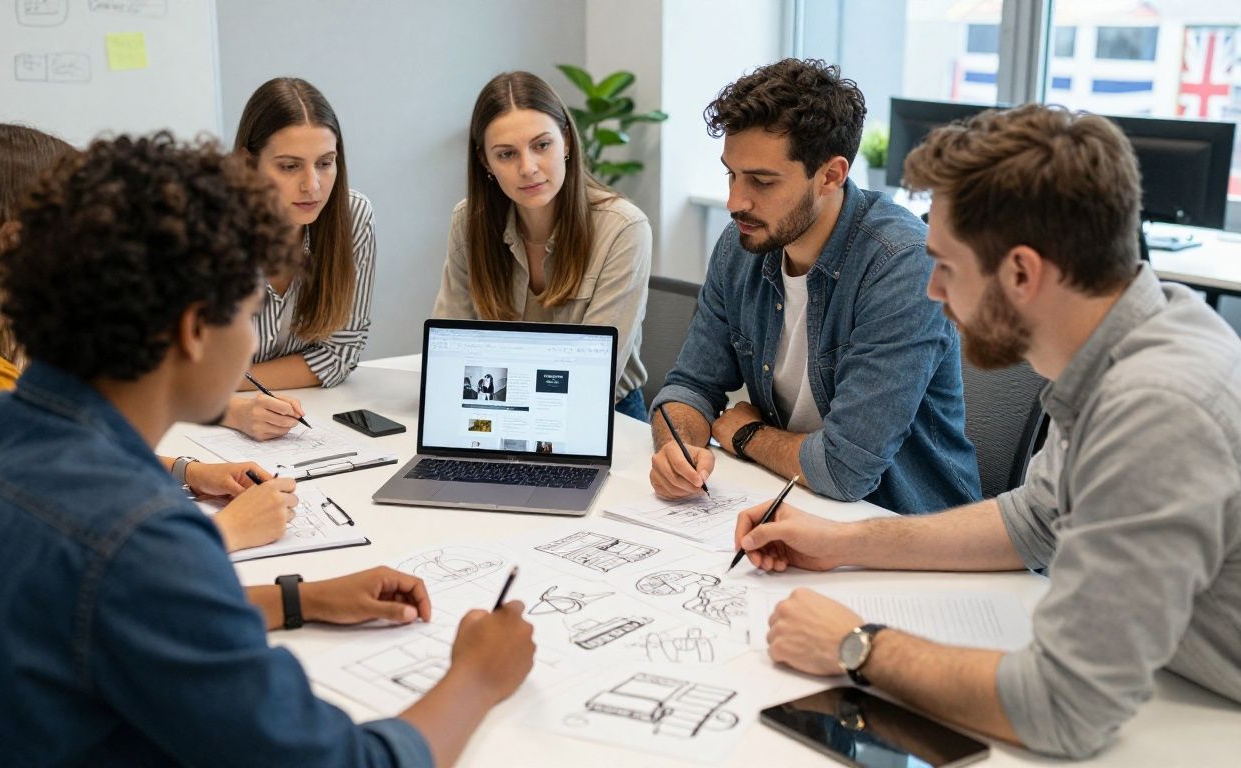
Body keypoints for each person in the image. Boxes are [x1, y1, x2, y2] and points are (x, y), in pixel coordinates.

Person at [0, 134, 535, 766]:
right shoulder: (140, 537)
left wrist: (298, 598)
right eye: (252, 310)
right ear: (193, 329)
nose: (255, 342)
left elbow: (111, 619)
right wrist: (478, 676)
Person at [735, 104, 1241, 758]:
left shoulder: (1158, 407)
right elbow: (1035, 520)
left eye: (946, 265)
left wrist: (855, 644)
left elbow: (1063, 707)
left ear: (1023, 273)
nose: (935, 292)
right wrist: (841, 542)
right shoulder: (1131, 334)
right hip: (1180, 693)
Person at [0, 120, 289, 554]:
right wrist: (228, 531)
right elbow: (103, 564)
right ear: (15, 243)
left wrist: (186, 472)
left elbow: (68, 464)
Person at [648, 59, 979, 514]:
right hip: (799, 502)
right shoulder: (741, 243)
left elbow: (846, 470)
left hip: (900, 525)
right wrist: (677, 448)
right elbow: (689, 387)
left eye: (762, 181)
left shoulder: (900, 264)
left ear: (830, 175)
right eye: (732, 174)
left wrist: (747, 434)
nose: (735, 202)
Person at [433, 70, 653, 421]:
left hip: (603, 415)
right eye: (506, 154)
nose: (528, 168)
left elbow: (591, 378)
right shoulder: (469, 221)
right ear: (485, 162)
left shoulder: (623, 228)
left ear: (566, 141)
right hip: (495, 408)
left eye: (542, 145)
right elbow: (451, 346)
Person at [221, 77, 377, 440]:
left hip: (299, 419)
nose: (313, 185)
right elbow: (172, 374)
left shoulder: (352, 216)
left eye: (325, 163)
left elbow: (341, 355)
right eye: (290, 167)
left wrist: (234, 381)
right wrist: (234, 404)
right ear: (248, 164)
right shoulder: (208, 228)